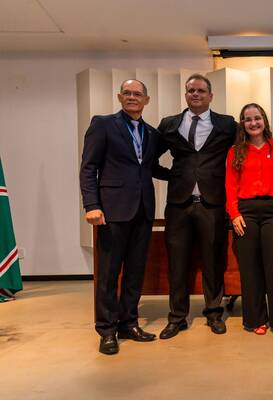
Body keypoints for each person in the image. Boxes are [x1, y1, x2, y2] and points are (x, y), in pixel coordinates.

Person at [80, 79, 159, 355]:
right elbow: (88, 167)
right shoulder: (103, 124)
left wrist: (187, 176)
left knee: (135, 272)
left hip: (143, 210)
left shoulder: (151, 133)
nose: (132, 97)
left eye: (137, 94)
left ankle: (129, 323)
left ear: (146, 100)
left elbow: (150, 167)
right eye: (127, 93)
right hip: (112, 211)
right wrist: (92, 205)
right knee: (109, 273)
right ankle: (107, 330)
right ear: (119, 97)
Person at [155, 74, 237, 339]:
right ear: (185, 94)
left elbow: (245, 153)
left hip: (213, 204)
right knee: (177, 263)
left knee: (214, 261)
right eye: (191, 90)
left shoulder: (226, 124)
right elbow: (149, 158)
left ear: (210, 96)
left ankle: (214, 313)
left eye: (201, 90)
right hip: (178, 205)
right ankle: (177, 318)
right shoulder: (169, 124)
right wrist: (173, 176)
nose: (195, 94)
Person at [225, 103, 273, 335]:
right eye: (248, 119)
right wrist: (234, 214)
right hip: (246, 213)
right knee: (250, 268)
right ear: (243, 123)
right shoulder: (235, 151)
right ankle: (255, 319)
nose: (253, 123)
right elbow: (230, 186)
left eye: (257, 118)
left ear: (264, 120)